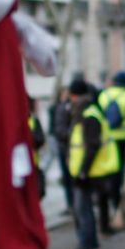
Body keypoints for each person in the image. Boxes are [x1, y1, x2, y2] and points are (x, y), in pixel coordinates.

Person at [67, 78, 117, 249]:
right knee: (85, 207)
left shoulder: (89, 115)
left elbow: (91, 146)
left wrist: (82, 170)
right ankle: (91, 242)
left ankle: (86, 244)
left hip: (89, 171)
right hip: (89, 169)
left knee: (82, 208)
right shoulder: (89, 112)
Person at [98, 70, 125, 226]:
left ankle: (114, 201)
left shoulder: (104, 95)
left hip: (108, 140)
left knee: (112, 173)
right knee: (124, 171)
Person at [49, 84, 75, 213]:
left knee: (72, 178)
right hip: (63, 146)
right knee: (67, 177)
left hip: (70, 148)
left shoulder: (71, 108)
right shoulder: (57, 108)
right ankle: (70, 204)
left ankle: (73, 204)